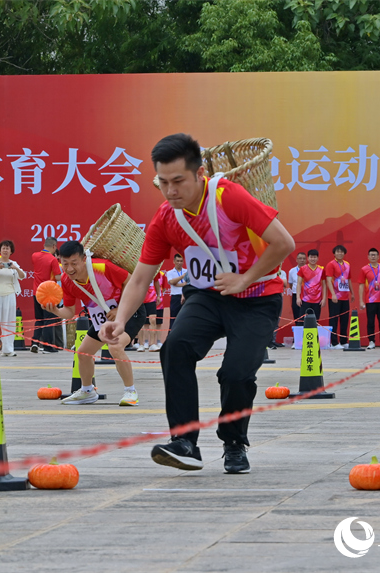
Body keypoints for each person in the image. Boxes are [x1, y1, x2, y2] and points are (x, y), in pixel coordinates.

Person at [101, 134, 293, 473]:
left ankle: (234, 443)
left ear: (200, 173)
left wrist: (244, 279)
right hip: (207, 296)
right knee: (175, 348)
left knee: (236, 374)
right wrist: (120, 319)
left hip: (257, 297)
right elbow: (141, 277)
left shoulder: (228, 197)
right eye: (163, 182)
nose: (170, 190)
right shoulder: (166, 217)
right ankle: (184, 442)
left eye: (178, 181)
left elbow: (283, 243)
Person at [42, 240, 145, 406]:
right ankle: (87, 391)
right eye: (65, 263)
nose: (69, 268)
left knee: (115, 347)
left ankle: (130, 391)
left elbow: (132, 283)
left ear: (84, 259)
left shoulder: (102, 267)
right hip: (103, 318)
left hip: (130, 311)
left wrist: (120, 309)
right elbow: (69, 312)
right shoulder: (67, 281)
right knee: (83, 353)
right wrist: (54, 310)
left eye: (74, 263)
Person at [0, 240, 26, 356]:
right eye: (3, 248)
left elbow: (23, 276)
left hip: (9, 295)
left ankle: (8, 349)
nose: (5, 250)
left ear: (11, 251)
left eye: (7, 248)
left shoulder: (14, 263)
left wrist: (15, 268)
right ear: (0, 250)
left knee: (9, 322)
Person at [31, 237, 62, 353]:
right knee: (49, 319)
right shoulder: (53, 259)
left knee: (39, 319)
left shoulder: (34, 256)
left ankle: (35, 342)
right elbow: (58, 277)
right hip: (48, 293)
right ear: (54, 246)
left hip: (37, 292)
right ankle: (48, 346)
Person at [359, 247, 380, 349]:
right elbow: (361, 285)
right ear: (368, 257)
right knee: (370, 321)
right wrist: (361, 300)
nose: (373, 256)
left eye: (375, 255)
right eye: (371, 255)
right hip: (370, 300)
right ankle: (371, 341)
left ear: (378, 256)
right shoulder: (364, 269)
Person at [324, 245, 354, 349]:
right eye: (337, 252)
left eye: (341, 252)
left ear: (344, 253)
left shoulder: (347, 264)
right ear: (334, 253)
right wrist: (333, 294)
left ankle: (344, 341)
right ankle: (334, 342)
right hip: (334, 297)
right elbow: (328, 280)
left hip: (345, 296)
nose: (339, 253)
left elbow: (348, 279)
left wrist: (352, 293)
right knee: (334, 319)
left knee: (345, 319)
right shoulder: (331, 264)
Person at [135, 274, 163, 352]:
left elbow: (156, 282)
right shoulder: (136, 269)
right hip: (140, 298)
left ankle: (152, 344)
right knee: (140, 321)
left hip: (151, 297)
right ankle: (141, 344)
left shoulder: (154, 270)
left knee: (153, 320)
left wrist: (158, 295)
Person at [296, 249, 324, 320]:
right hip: (305, 300)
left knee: (315, 321)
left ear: (317, 258)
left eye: (314, 257)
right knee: (302, 322)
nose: (313, 259)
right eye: (311, 257)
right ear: (308, 258)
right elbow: (299, 284)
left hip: (317, 301)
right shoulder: (303, 269)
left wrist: (324, 299)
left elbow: (324, 285)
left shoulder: (321, 269)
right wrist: (298, 297)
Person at [165, 253, 188, 330]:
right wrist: (182, 277)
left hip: (185, 296)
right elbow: (171, 282)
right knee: (173, 318)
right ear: (174, 261)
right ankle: (171, 334)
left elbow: (188, 283)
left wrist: (177, 284)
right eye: (177, 261)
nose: (179, 263)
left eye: (181, 261)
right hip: (175, 297)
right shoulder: (170, 272)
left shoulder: (187, 271)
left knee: (185, 317)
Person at [287, 252, 306, 326]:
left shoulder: (309, 270)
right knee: (297, 315)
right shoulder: (292, 271)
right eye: (300, 258)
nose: (302, 260)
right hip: (296, 295)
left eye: (304, 258)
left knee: (306, 316)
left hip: (307, 295)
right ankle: (298, 331)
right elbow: (291, 284)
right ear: (296, 260)